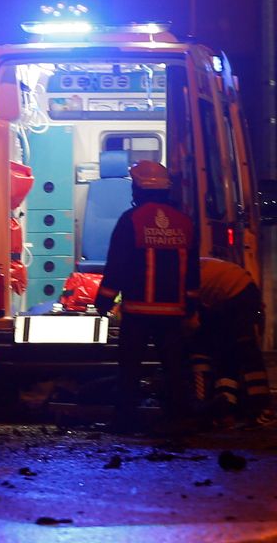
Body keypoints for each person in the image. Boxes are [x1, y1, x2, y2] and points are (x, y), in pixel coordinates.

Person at [93, 160, 199, 434]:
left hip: (138, 312)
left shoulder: (132, 220)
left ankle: (126, 419)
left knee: (129, 368)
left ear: (138, 188)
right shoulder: (185, 222)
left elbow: (118, 263)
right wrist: (191, 305)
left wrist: (104, 300)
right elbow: (193, 270)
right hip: (173, 314)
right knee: (175, 368)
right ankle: (179, 419)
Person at [188, 257, 275, 427]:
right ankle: (237, 405)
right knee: (235, 351)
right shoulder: (195, 267)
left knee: (233, 352)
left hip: (236, 297)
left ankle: (251, 407)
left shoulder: (181, 278)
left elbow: (189, 320)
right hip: (242, 290)